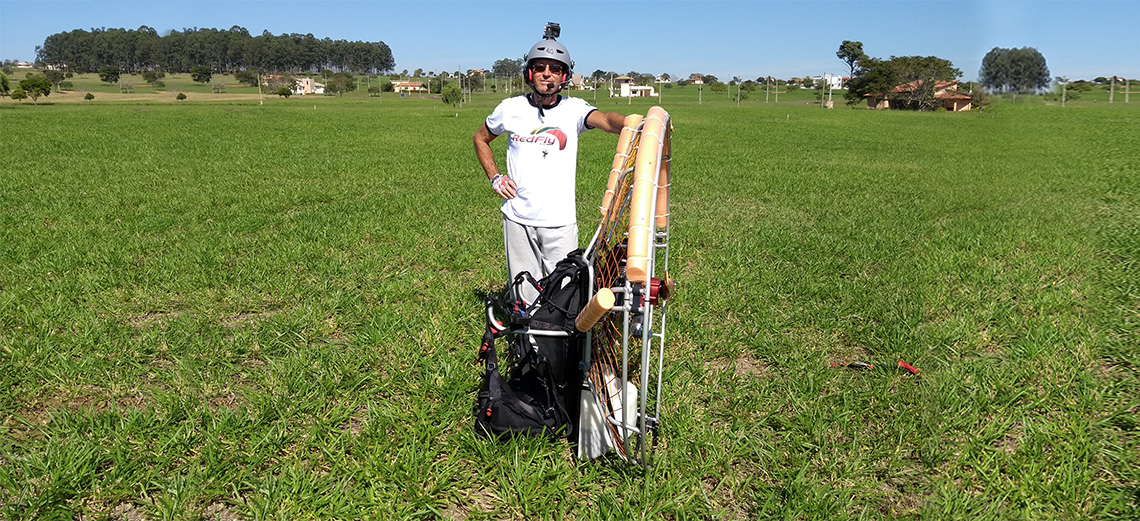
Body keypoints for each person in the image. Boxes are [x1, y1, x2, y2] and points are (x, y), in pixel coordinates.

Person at [473, 23, 626, 304]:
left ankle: (559, 344)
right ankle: (527, 342)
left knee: (565, 295)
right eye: (540, 67)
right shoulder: (510, 109)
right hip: (517, 218)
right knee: (524, 294)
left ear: (565, 76)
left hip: (560, 222)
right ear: (529, 73)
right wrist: (495, 177)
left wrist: (630, 123)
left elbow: (605, 120)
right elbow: (480, 138)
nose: (547, 74)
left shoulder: (574, 110)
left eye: (555, 69)